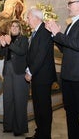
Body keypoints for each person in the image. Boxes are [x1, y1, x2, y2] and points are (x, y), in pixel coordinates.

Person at [45, 0, 79, 139]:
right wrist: (54, 35)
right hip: (68, 74)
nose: (67, 6)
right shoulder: (71, 24)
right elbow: (65, 49)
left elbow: (78, 44)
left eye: (70, 3)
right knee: (70, 111)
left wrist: (57, 33)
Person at [25, 8, 57, 139]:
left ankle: (45, 136)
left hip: (43, 77)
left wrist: (30, 72)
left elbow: (41, 55)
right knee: (38, 107)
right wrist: (28, 69)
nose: (26, 20)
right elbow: (32, 55)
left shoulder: (44, 31)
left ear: (36, 18)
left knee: (44, 108)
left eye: (28, 18)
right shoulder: (36, 32)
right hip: (38, 76)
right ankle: (39, 133)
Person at [0, 20, 29, 137]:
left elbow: (21, 52)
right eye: (12, 26)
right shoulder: (7, 38)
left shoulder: (24, 39)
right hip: (7, 71)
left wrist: (10, 43)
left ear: (20, 28)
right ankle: (8, 126)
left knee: (19, 100)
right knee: (8, 99)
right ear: (9, 28)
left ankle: (19, 128)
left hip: (19, 72)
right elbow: (0, 55)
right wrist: (2, 45)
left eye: (17, 26)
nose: (14, 28)